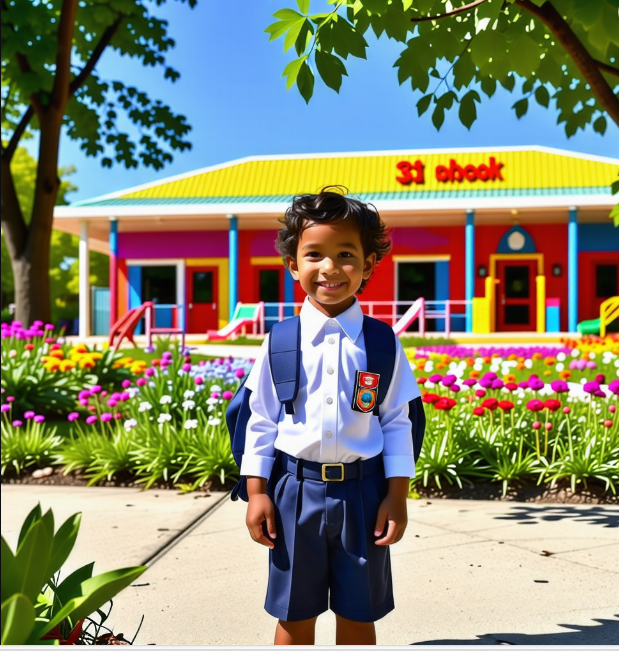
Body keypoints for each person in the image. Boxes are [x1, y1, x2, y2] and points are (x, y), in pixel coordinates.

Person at [240, 188, 420, 645]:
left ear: (368, 264)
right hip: (293, 494)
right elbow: (260, 420)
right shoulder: (280, 341)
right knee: (293, 615)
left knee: (359, 614)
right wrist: (257, 492)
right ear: (292, 264)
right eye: (314, 254)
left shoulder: (382, 343)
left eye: (345, 254)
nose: (330, 267)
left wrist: (396, 495)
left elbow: (397, 421)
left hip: (363, 496)